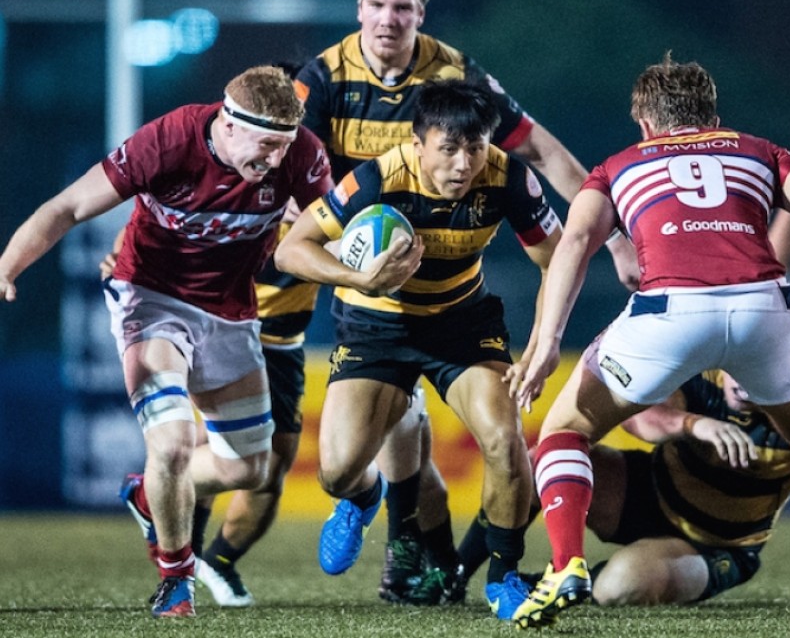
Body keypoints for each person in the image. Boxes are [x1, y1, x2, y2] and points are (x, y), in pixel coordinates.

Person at [508, 54, 790, 629]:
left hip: (670, 312)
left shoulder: (619, 165)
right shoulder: (760, 151)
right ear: (713, 116)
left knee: (567, 431)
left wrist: (544, 344)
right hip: (765, 308)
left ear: (644, 122)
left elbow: (576, 242)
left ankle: (566, 565)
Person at [0, 65, 334, 617]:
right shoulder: (168, 140)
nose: (276, 160)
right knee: (174, 443)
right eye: (267, 145)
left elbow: (326, 226)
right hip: (150, 300)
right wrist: (8, 267)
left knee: (249, 469)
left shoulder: (302, 153)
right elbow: (68, 207)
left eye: (285, 146)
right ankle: (176, 578)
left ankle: (144, 493)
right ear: (227, 124)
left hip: (230, 312)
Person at [274, 78, 563, 621]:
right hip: (377, 325)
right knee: (335, 472)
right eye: (448, 149)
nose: (462, 165)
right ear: (418, 141)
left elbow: (555, 259)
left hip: (462, 325)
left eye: (474, 148)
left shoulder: (508, 178)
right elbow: (292, 251)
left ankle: (502, 578)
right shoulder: (378, 178)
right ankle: (364, 497)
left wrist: (544, 344)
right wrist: (356, 277)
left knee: (505, 442)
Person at [458, 368, 790, 606]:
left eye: (757, 361)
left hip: (718, 546)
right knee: (541, 464)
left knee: (621, 587)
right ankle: (459, 572)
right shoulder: (702, 373)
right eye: (737, 362)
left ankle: (556, 582)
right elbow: (638, 415)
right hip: (648, 492)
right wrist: (693, 424)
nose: (744, 377)